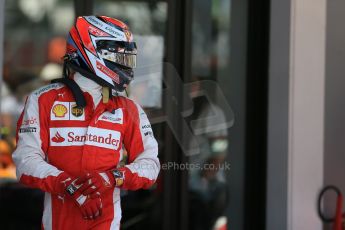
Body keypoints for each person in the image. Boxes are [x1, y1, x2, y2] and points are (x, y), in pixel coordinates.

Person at [12, 16, 160, 230]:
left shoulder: (128, 109)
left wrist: (113, 177)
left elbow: (151, 166)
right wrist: (68, 185)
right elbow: (25, 162)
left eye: (127, 60)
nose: (124, 66)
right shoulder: (43, 100)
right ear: (91, 52)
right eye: (119, 58)